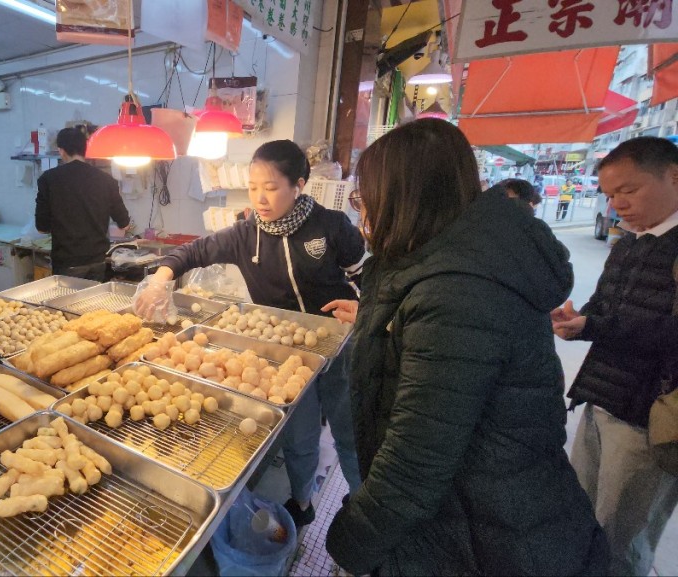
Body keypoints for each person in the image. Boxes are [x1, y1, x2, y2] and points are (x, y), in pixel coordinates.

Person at [325, 119, 607, 575]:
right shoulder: (469, 261)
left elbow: (415, 461)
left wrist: (349, 543)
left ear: (406, 197)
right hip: (488, 512)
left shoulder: (458, 291)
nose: (364, 214)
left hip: (488, 535)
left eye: (366, 198)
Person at [134, 139, 367, 527]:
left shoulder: (331, 226)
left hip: (340, 346)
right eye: (254, 187)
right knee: (299, 437)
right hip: (285, 356)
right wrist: (160, 280)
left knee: (349, 431)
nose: (260, 197)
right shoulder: (245, 234)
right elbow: (192, 252)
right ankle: (303, 501)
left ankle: (363, 507)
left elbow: (367, 275)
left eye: (271, 188)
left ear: (299, 184)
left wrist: (364, 308)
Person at [553, 136, 678, 577]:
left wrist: (597, 326)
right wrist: (578, 320)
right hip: (600, 400)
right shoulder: (628, 244)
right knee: (579, 519)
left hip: (650, 420)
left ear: (673, 175)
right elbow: (604, 310)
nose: (618, 204)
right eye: (610, 195)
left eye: (629, 190)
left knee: (621, 541)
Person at [35, 127, 132, 281]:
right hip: (97, 262)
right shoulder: (106, 180)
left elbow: (42, 228)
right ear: (85, 150)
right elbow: (124, 224)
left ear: (61, 151)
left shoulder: (48, 179)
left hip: (67, 262)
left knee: (66, 305)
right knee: (93, 304)